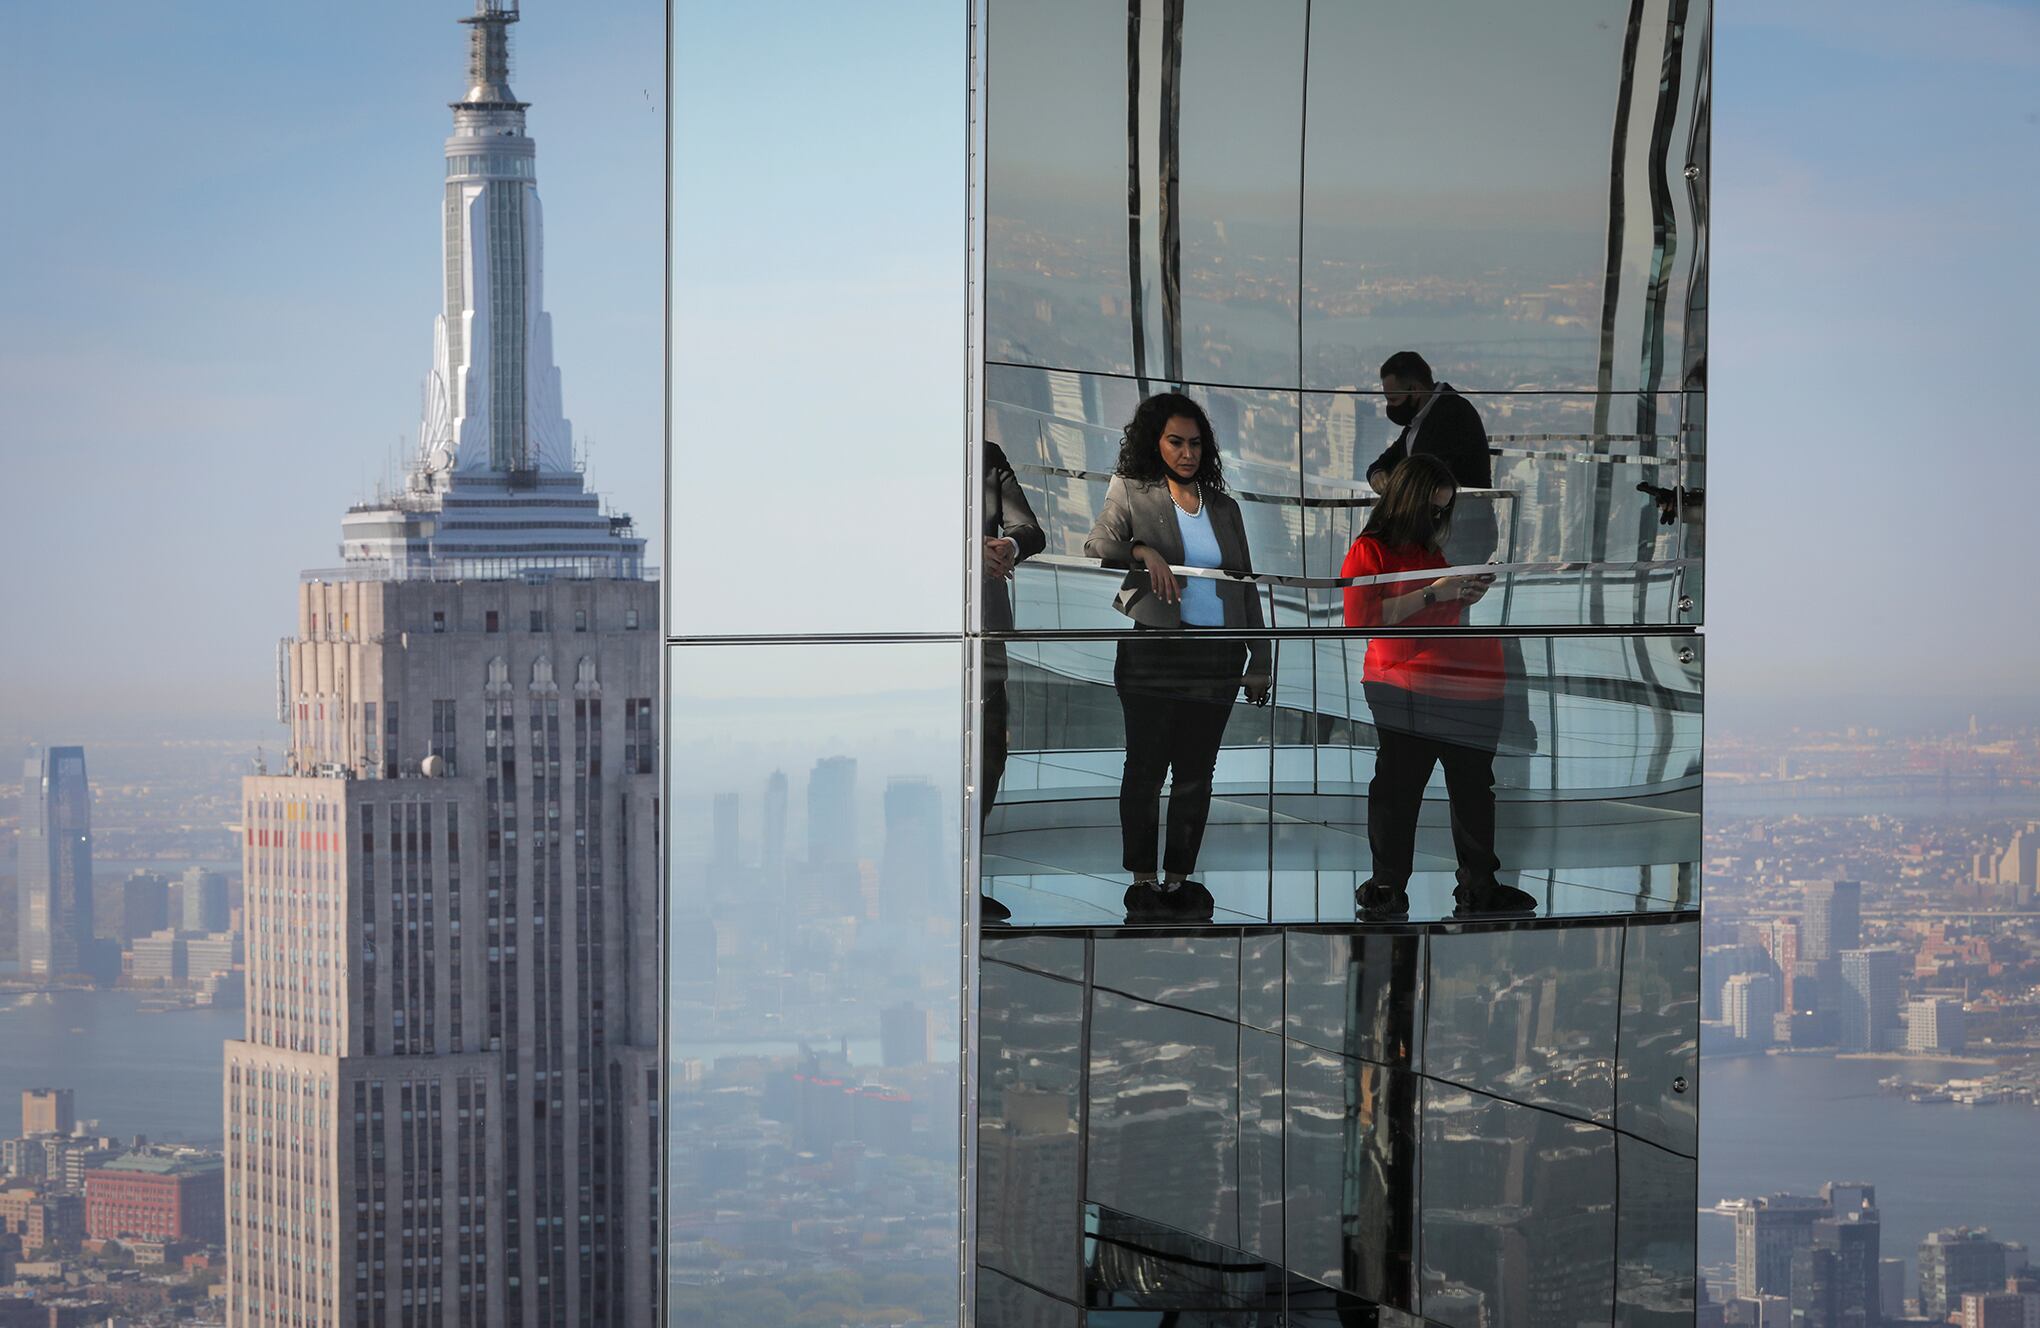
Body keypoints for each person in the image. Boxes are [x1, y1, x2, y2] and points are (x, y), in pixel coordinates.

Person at [1085, 392, 1271, 922]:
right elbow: (1097, 544)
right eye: (1175, 442)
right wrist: (1143, 550)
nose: (1187, 453)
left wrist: (1260, 660)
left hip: (1218, 658)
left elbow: (1246, 587)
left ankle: (1178, 880)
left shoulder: (1224, 507)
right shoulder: (1133, 490)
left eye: (1195, 443)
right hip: (1155, 651)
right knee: (1145, 769)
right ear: (1156, 443)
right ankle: (1143, 881)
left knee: (1196, 773)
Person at [1341, 455, 1537, 918]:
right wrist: (1436, 591)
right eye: (1431, 508)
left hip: (1460, 681)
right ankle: (1388, 884)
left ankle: (1478, 884)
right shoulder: (1370, 550)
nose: (1436, 517)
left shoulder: (1428, 552)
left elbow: (1438, 614)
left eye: (1442, 510)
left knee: (1472, 786)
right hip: (1403, 682)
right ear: (1408, 500)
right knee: (1400, 785)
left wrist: (1463, 592)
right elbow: (1361, 620)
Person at [980, 440, 1046, 924]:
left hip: (985, 634)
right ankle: (932, 884)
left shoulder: (986, 456)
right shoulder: (896, 453)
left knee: (989, 756)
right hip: (922, 639)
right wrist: (967, 553)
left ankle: (964, 880)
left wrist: (1009, 546)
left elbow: (1029, 529)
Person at [1365, 349, 1497, 566]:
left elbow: (1427, 476)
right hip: (1445, 533)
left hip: (1461, 535)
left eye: (1394, 399)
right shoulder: (1420, 419)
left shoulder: (1452, 414)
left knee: (1444, 589)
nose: (1390, 407)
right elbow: (1386, 461)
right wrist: (1377, 473)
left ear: (1415, 390)